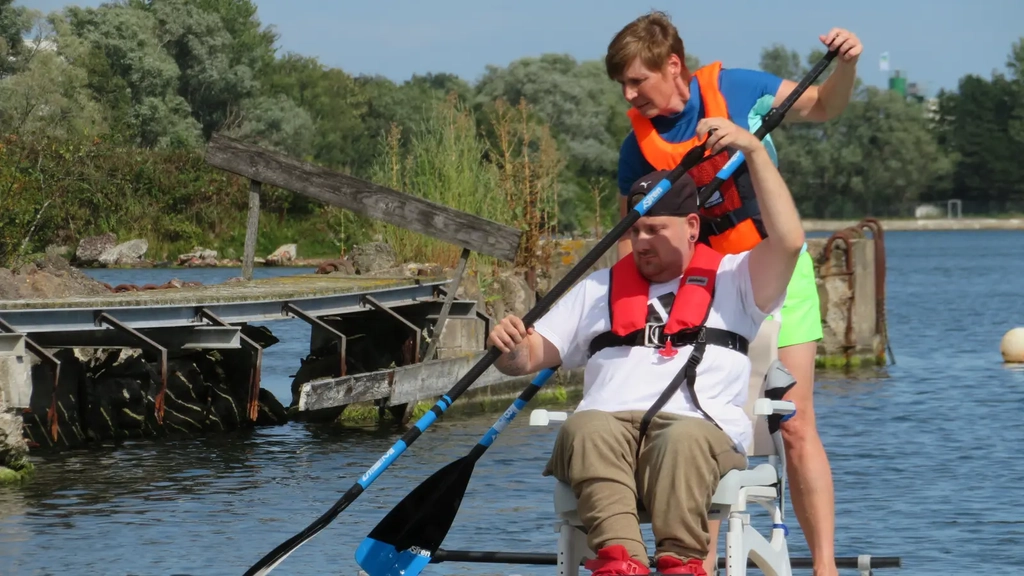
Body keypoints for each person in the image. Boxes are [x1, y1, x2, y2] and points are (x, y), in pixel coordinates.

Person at [604, 11, 862, 575]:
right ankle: (700, 563)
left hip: (776, 269)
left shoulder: (737, 89)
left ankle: (824, 569)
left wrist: (847, 66)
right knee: (707, 419)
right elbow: (632, 248)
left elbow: (825, 106)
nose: (628, 95)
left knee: (793, 421)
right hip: (708, 286)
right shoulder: (637, 149)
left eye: (636, 81)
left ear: (672, 66)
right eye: (621, 85)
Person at [488, 118, 805, 575]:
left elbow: (790, 240)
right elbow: (527, 358)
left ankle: (680, 562)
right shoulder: (597, 288)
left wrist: (754, 152)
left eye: (655, 229)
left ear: (692, 226)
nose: (641, 241)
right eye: (636, 230)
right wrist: (509, 347)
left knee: (681, 437)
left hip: (699, 433)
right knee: (584, 428)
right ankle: (621, 563)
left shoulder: (737, 279)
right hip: (608, 435)